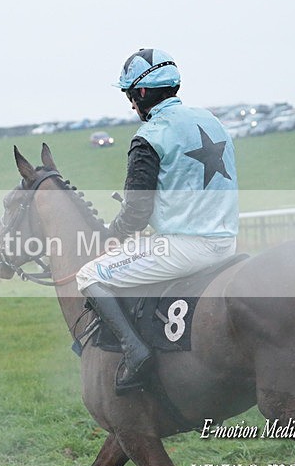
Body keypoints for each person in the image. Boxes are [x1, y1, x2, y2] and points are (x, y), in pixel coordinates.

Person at [75, 48, 239, 394]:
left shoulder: (150, 136)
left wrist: (112, 235)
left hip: (185, 248)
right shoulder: (211, 121)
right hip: (228, 242)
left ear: (142, 93)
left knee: (89, 274)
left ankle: (136, 352)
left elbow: (136, 211)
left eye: (130, 96)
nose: (131, 105)